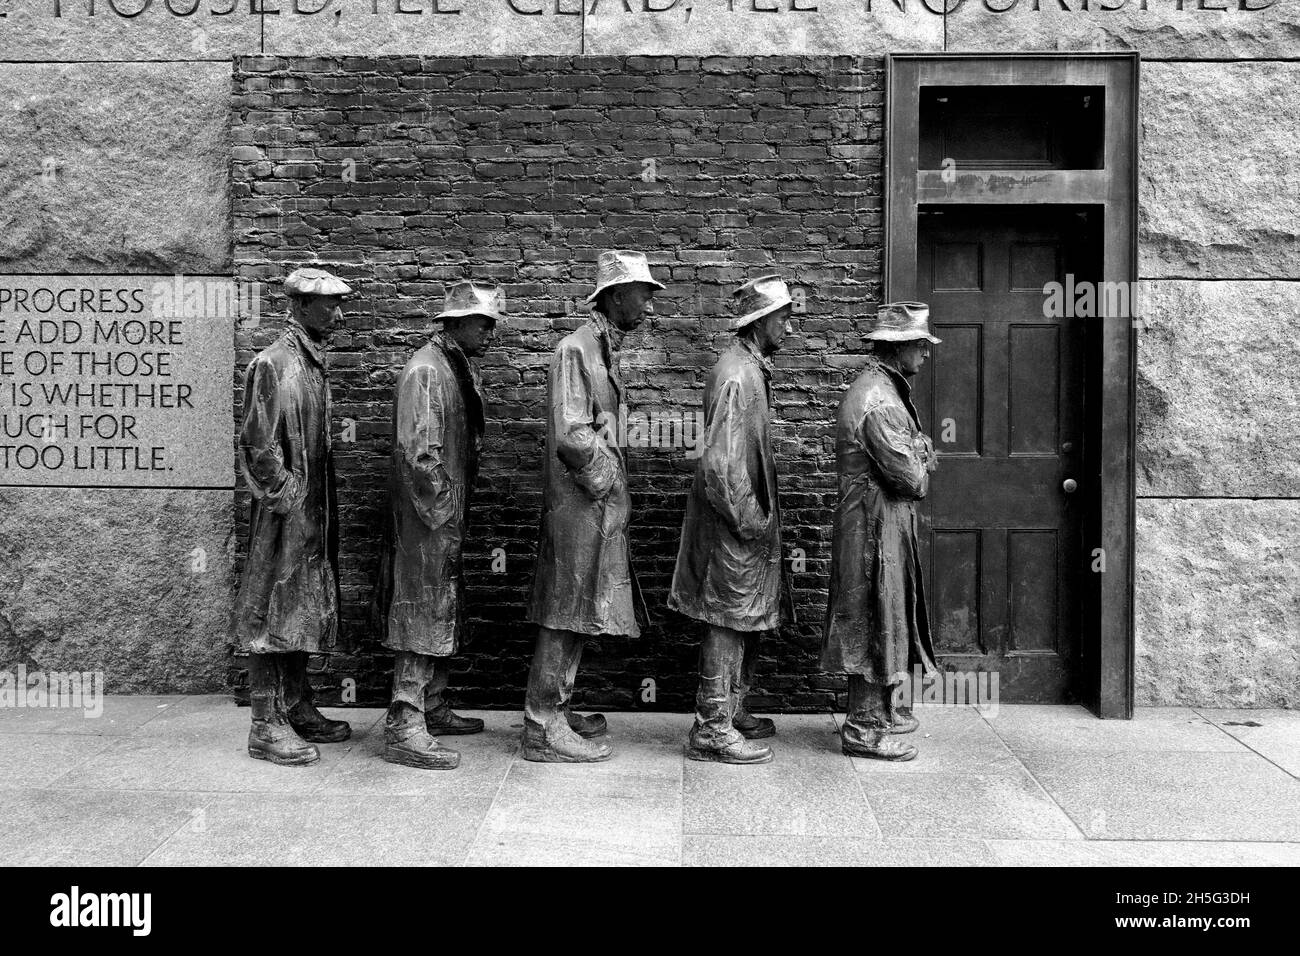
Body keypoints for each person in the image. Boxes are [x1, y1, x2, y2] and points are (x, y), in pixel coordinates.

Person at [522, 250, 662, 762]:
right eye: (643, 294)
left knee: (579, 610)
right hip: (579, 508)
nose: (648, 305)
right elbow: (573, 433)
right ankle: (542, 724)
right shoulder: (575, 350)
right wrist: (607, 482)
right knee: (564, 609)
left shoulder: (600, 348)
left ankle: (556, 705)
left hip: (591, 509)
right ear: (616, 294)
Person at [373, 281, 504, 770]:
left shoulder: (451, 366)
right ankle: (405, 722)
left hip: (440, 518)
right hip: (427, 522)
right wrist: (444, 509)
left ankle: (432, 702)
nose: (490, 331)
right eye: (482, 322)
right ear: (454, 324)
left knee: (441, 606)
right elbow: (418, 453)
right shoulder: (428, 371)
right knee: (420, 608)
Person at [670, 275, 794, 764]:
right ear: (760, 321)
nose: (788, 327)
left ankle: (732, 707)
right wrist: (750, 522)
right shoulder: (737, 375)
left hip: (742, 520)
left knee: (741, 615)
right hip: (732, 524)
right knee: (726, 617)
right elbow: (720, 464)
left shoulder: (749, 368)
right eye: (783, 318)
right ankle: (712, 726)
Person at [236, 267, 353, 765]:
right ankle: (265, 721)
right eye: (331, 305)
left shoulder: (310, 362)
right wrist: (288, 495)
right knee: (271, 605)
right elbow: (258, 445)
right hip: (286, 514)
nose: (340, 314)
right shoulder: (273, 363)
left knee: (302, 603)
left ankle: (297, 702)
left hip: (312, 512)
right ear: (302, 307)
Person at [822, 301, 941, 761]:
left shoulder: (886, 389)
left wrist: (919, 451)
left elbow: (914, 458)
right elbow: (912, 478)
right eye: (920, 346)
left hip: (882, 525)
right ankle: (864, 727)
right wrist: (924, 456)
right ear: (899, 347)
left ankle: (882, 712)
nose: (925, 355)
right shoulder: (879, 400)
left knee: (886, 615)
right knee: (874, 616)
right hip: (872, 530)